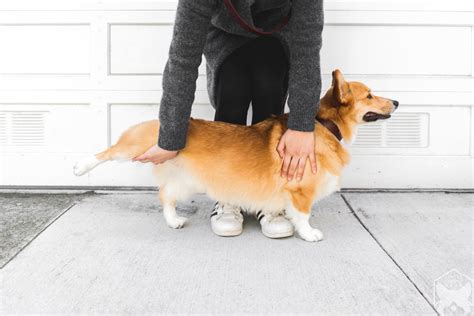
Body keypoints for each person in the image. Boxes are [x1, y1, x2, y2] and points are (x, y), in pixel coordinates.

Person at [134, 0, 324, 238]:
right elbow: (182, 59)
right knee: (234, 86)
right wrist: (170, 138)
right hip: (226, 37)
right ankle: (227, 196)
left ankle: (269, 201)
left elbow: (306, 49)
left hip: (276, 37)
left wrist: (302, 127)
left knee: (269, 79)